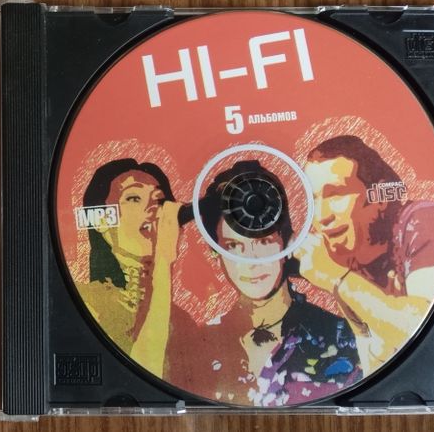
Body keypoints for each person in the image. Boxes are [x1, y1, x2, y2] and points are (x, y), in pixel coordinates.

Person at [136, 160, 361, 406]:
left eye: (264, 242)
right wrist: (163, 259)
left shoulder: (340, 334)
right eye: (234, 246)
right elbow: (147, 388)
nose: (251, 261)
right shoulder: (201, 344)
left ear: (288, 243)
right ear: (216, 254)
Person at [296, 135, 434, 373]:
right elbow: (377, 364)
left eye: (336, 194)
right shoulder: (349, 257)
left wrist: (337, 278)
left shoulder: (425, 221)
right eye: (313, 199)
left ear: (379, 195)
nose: (322, 216)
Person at [75, 158, 182, 366]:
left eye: (159, 200)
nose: (153, 209)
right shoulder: (85, 305)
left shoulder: (180, 320)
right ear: (102, 221)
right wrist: (163, 259)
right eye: (134, 198)